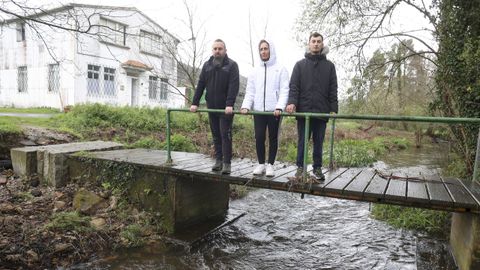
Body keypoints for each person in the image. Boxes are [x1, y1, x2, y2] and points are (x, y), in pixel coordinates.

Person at [286, 32, 338, 181]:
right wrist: (292, 103)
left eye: (318, 41)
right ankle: (301, 168)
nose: (316, 43)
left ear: (322, 44)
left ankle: (317, 168)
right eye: (313, 41)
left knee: (318, 142)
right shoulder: (299, 65)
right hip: (304, 111)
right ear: (309, 44)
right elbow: (294, 87)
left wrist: (333, 109)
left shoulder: (329, 66)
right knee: (302, 140)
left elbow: (333, 88)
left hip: (322, 111)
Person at [190, 39, 240, 174]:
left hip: (225, 109)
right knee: (216, 135)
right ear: (212, 51)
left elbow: (233, 86)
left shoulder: (232, 65)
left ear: (225, 50)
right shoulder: (207, 66)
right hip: (211, 107)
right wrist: (194, 102)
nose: (217, 51)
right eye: (215, 49)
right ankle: (218, 161)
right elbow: (200, 85)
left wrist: (230, 104)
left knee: (225, 135)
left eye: (220, 49)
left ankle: (227, 163)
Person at [240, 39, 289, 177]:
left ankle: (270, 165)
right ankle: (261, 163)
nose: (263, 51)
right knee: (259, 137)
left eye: (265, 48)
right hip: (259, 110)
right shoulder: (255, 71)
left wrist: (280, 106)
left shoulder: (281, 69)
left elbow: (285, 90)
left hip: (274, 111)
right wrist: (246, 106)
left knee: (273, 137)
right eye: (261, 49)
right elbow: (250, 91)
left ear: (271, 49)